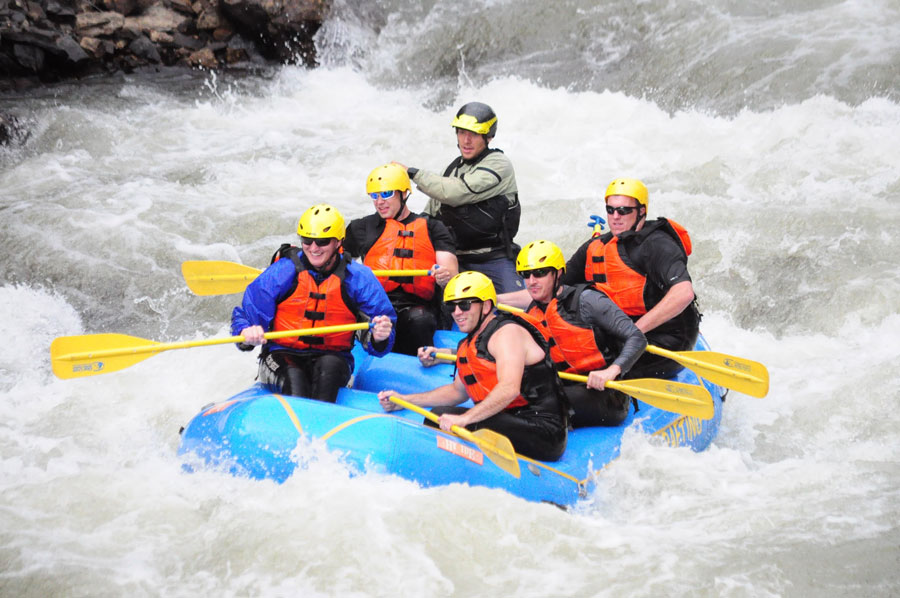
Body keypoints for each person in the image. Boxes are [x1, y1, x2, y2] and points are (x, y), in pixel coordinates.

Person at [378, 271, 568, 462]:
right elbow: (456, 392)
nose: (457, 312)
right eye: (451, 306)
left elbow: (509, 388)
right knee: (437, 416)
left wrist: (465, 418)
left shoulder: (507, 333)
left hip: (544, 430)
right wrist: (404, 399)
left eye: (465, 305)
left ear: (486, 306)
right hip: (508, 419)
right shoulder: (468, 344)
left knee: (455, 420)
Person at [232, 204, 396, 403]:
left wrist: (380, 336)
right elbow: (244, 316)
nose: (313, 248)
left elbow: (384, 325)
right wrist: (246, 333)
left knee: (329, 373)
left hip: (333, 356)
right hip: (281, 354)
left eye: (322, 241)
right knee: (295, 381)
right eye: (307, 241)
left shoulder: (359, 278)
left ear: (339, 242)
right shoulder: (281, 273)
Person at [562, 178, 700, 378]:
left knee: (588, 363)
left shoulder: (657, 245)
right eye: (610, 210)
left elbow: (683, 293)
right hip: (621, 333)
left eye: (624, 211)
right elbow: (552, 286)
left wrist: (633, 334)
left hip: (666, 337)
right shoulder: (598, 246)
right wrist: (501, 298)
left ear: (642, 211)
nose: (615, 217)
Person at [393, 101, 524, 294]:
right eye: (462, 133)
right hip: (455, 259)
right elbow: (430, 216)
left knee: (520, 305)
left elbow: (457, 192)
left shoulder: (499, 164)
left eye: (473, 134)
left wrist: (412, 173)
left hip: (493, 257)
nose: (466, 140)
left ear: (488, 137)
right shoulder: (450, 170)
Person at [515, 240, 647, 428]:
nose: (532, 281)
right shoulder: (532, 314)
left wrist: (611, 371)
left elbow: (637, 337)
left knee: (543, 404)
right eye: (525, 275)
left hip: (607, 392)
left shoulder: (587, 301)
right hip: (567, 386)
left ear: (558, 273)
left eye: (540, 273)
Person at [344, 164, 459, 356]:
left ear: (404, 194)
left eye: (387, 194)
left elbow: (451, 273)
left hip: (417, 306)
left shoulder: (433, 227)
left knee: (419, 321)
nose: (379, 202)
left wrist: (445, 277)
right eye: (374, 196)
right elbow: (334, 262)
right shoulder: (361, 228)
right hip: (375, 305)